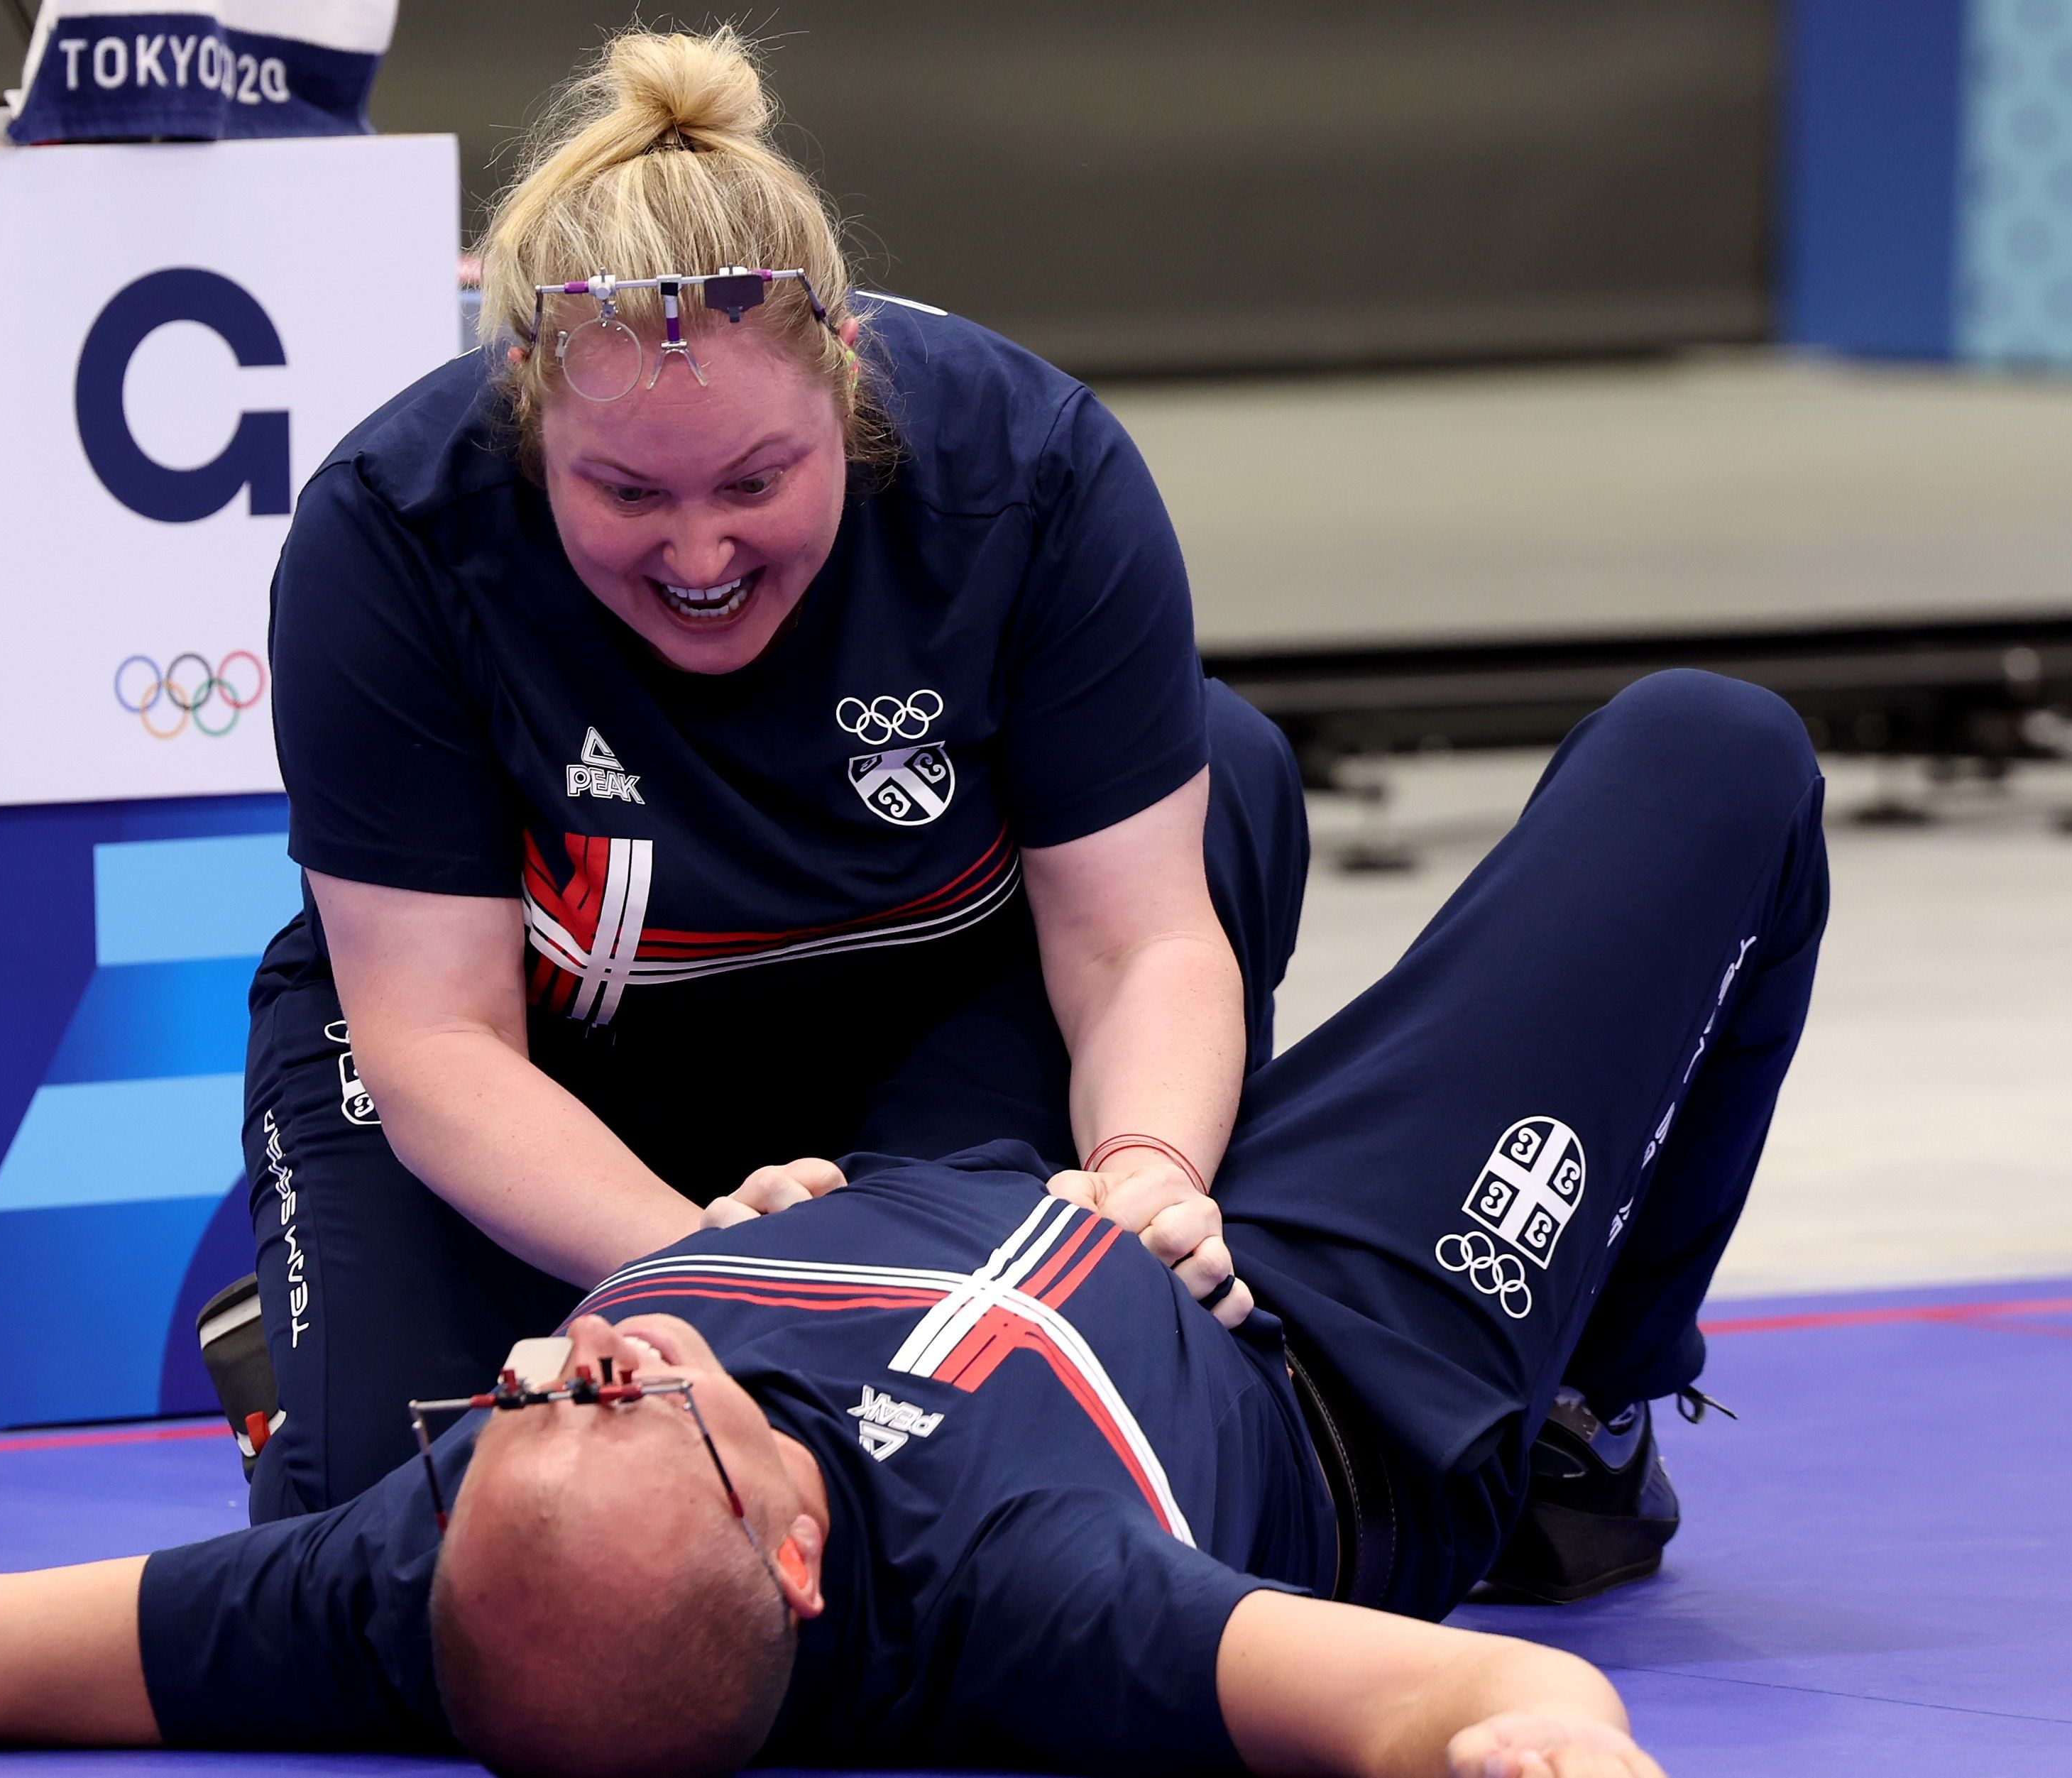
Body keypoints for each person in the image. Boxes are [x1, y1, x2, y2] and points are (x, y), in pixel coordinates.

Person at [0, 671, 1822, 1778]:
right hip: (1322, 1332)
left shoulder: (438, 1562)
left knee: (1180, 768)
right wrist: (1526, 1738)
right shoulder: (1026, 1586)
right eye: (618, 1382)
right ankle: (1588, 1396)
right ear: (792, 1535)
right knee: (1710, 759)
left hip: (980, 1179)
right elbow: (1443, 1716)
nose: (556, 1365)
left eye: (538, 1392)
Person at [232, 25, 1308, 1522]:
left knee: (919, 1471)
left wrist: (1142, 1170)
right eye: (623, 491)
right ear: (530, 411)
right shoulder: (390, 533)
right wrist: (710, 1265)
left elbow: (1135, 937)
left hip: (913, 1022)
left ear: (847, 380)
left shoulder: (1034, 469)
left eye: (755, 480)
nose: (696, 552)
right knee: (411, 1535)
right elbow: (438, 1041)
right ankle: (328, 1332)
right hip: (551, 1066)